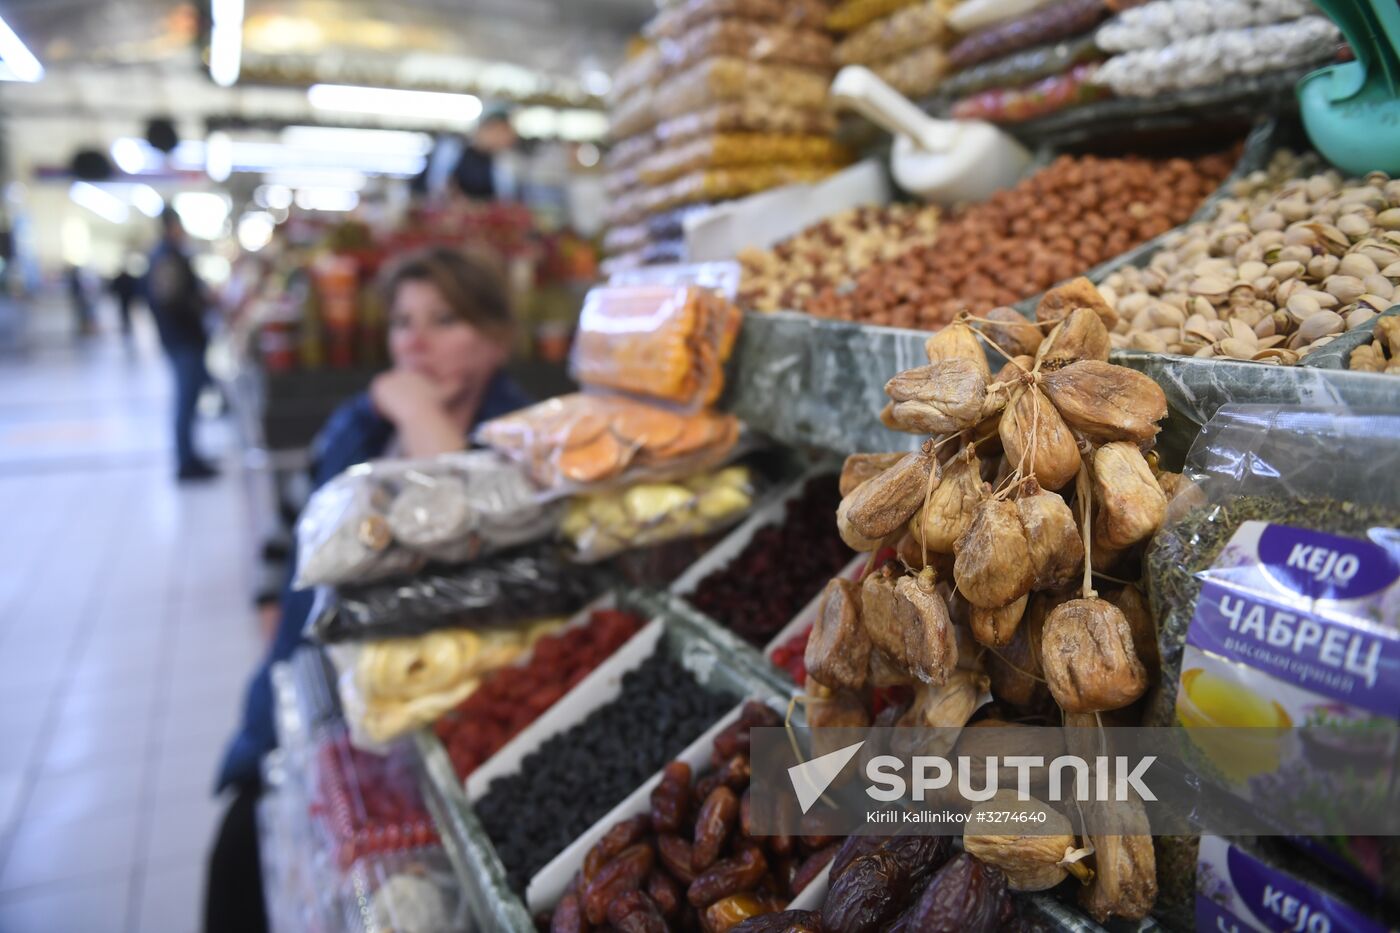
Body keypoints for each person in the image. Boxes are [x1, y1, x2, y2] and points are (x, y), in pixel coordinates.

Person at [204, 247, 530, 933]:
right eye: (403, 321)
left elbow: (475, 547)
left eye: (445, 320)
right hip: (305, 713)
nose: (415, 341)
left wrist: (418, 412)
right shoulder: (357, 424)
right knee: (236, 875)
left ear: (497, 338)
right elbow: (281, 543)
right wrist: (284, 650)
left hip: (418, 749)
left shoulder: (519, 442)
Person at [146, 209, 218, 480]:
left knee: (189, 400)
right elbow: (171, 300)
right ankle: (186, 461)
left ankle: (190, 455)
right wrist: (200, 304)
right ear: (171, 227)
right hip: (182, 340)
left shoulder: (169, 255)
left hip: (182, 338)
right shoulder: (166, 257)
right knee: (185, 401)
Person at [451, 109, 518, 200]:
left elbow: (506, 197)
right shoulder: (456, 150)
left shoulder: (501, 159)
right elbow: (439, 189)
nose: (507, 139)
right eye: (501, 132)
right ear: (487, 128)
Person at [110, 262, 141, 337]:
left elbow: (133, 287)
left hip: (126, 297)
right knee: (124, 311)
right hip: (124, 297)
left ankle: (127, 324)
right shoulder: (124, 278)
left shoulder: (126, 278)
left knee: (125, 311)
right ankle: (126, 324)